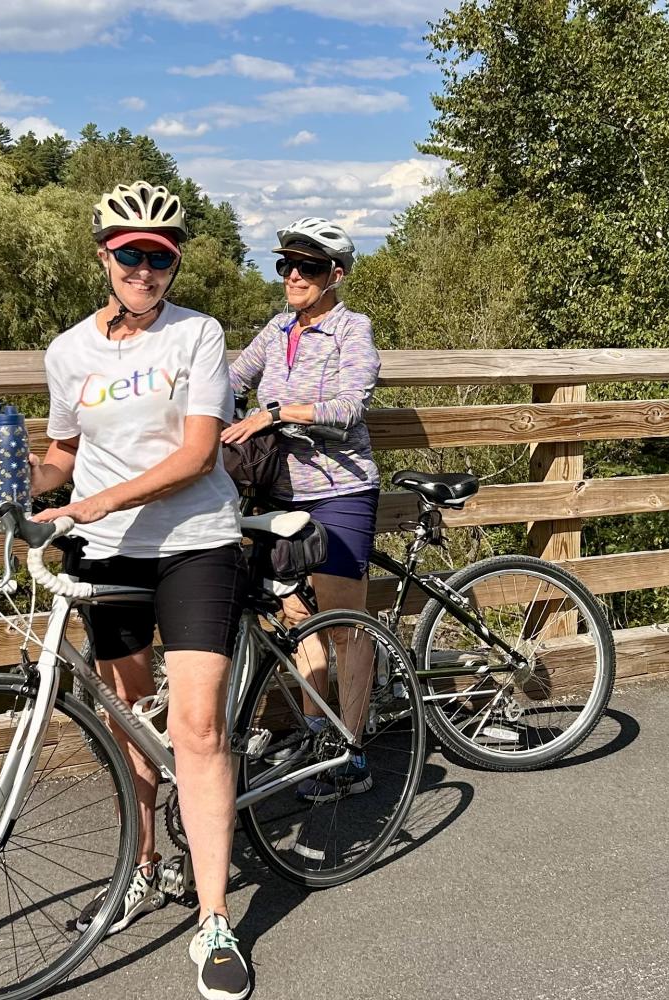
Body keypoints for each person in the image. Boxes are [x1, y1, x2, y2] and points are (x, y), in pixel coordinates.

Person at [4, 181, 252, 999]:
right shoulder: (68, 351)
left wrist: (103, 500)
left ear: (175, 262)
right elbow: (64, 458)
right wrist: (20, 481)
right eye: (129, 255)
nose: (144, 270)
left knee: (196, 727)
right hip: (106, 555)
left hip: (192, 545)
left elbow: (198, 456)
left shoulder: (199, 336)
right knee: (129, 722)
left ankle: (214, 919)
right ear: (103, 258)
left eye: (159, 256)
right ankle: (140, 870)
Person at [221, 217, 382, 798]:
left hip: (340, 489)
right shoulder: (277, 329)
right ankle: (320, 733)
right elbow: (228, 378)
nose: (292, 275)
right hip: (282, 495)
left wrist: (276, 411)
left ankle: (354, 750)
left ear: (335, 275)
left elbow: (350, 405)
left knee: (345, 626)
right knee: (295, 618)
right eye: (286, 264)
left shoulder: (350, 330)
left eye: (307, 267)